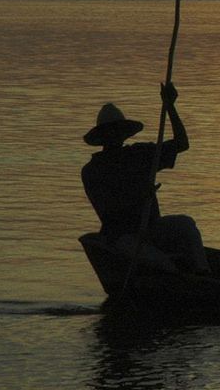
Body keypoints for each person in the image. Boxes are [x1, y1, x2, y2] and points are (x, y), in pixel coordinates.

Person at [81, 82, 209, 274]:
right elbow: (108, 208)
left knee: (186, 225)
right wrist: (139, 195)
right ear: (102, 136)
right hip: (121, 237)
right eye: (110, 131)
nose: (114, 135)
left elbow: (181, 143)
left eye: (117, 130)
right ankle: (177, 278)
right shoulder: (93, 171)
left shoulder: (140, 154)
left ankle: (202, 273)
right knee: (161, 265)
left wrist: (170, 106)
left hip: (151, 228)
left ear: (124, 133)